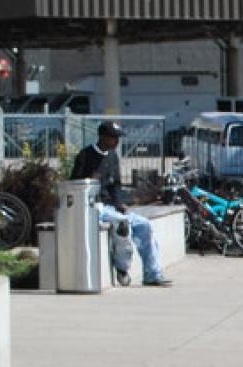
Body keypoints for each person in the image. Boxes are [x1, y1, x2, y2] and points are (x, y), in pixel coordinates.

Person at [70, 121, 170, 287]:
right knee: (123, 225)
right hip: (95, 206)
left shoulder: (112, 156)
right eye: (113, 138)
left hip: (111, 206)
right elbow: (75, 184)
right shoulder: (85, 155)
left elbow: (115, 186)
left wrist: (120, 203)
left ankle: (153, 274)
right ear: (102, 137)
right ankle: (122, 269)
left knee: (145, 225)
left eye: (118, 138)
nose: (117, 142)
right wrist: (90, 180)